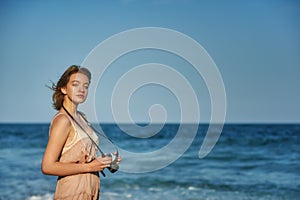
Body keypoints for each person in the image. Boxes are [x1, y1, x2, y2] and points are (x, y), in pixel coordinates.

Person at [42, 65, 121, 200]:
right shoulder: (63, 120)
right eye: (75, 84)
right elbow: (48, 166)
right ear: (64, 89)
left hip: (90, 190)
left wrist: (103, 162)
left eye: (86, 86)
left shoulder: (82, 117)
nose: (82, 89)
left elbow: (80, 158)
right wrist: (90, 167)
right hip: (72, 192)